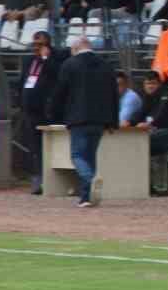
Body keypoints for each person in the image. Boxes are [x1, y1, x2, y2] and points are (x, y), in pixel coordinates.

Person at [46, 32, 118, 207]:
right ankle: (86, 197)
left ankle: (89, 179)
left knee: (77, 155)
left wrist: (52, 113)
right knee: (90, 156)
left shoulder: (70, 65)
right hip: (100, 119)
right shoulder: (106, 65)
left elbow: (60, 92)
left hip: (78, 118)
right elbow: (113, 94)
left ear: (76, 47)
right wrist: (112, 121)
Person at [19, 31, 67, 193]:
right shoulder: (29, 61)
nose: (36, 48)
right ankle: (37, 178)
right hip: (29, 110)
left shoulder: (56, 59)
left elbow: (58, 75)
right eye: (35, 44)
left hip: (46, 112)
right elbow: (23, 82)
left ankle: (48, 179)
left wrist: (46, 59)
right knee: (34, 147)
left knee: (46, 146)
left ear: (48, 46)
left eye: (40, 45)